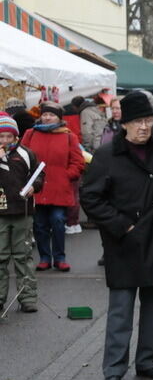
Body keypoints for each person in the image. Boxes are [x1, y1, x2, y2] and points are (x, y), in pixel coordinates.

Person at [81, 91, 153, 380]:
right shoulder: (106, 154)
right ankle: (114, 368)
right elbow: (90, 197)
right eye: (138, 121)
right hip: (125, 243)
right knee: (121, 308)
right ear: (124, 123)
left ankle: (146, 361)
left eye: (149, 120)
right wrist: (122, 226)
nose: (145, 127)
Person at [21, 102, 84, 272]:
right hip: (37, 187)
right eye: (45, 114)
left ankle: (60, 257)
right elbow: (22, 157)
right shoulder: (31, 133)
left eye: (52, 115)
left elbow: (77, 162)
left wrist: (67, 175)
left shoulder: (69, 136)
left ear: (59, 117)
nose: (47, 117)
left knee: (57, 221)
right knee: (40, 224)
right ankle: (44, 258)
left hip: (59, 187)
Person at [0, 115, 45, 314]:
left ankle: (27, 297)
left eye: (8, 137)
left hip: (22, 211)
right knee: (0, 257)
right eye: (0, 137)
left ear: (15, 136)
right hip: (0, 214)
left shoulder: (26, 154)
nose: (4, 141)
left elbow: (39, 175)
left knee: (23, 255)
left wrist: (34, 186)